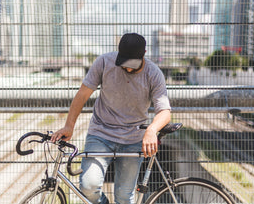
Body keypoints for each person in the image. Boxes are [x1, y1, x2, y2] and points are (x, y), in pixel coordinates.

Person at [51, 33, 171, 204]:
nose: (128, 69)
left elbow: (165, 111)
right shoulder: (104, 62)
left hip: (132, 139)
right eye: (124, 64)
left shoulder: (153, 73)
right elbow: (82, 94)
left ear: (143, 54)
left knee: (124, 196)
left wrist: (152, 130)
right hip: (101, 133)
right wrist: (69, 126)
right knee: (88, 186)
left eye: (132, 65)